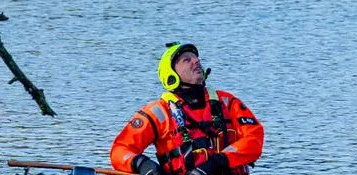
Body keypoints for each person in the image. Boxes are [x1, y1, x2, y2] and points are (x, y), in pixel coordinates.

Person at [111, 42, 264, 175]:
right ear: (171, 74)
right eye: (187, 60)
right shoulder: (159, 112)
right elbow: (120, 150)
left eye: (196, 58)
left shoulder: (227, 102)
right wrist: (143, 165)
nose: (196, 61)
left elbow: (254, 138)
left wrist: (218, 161)